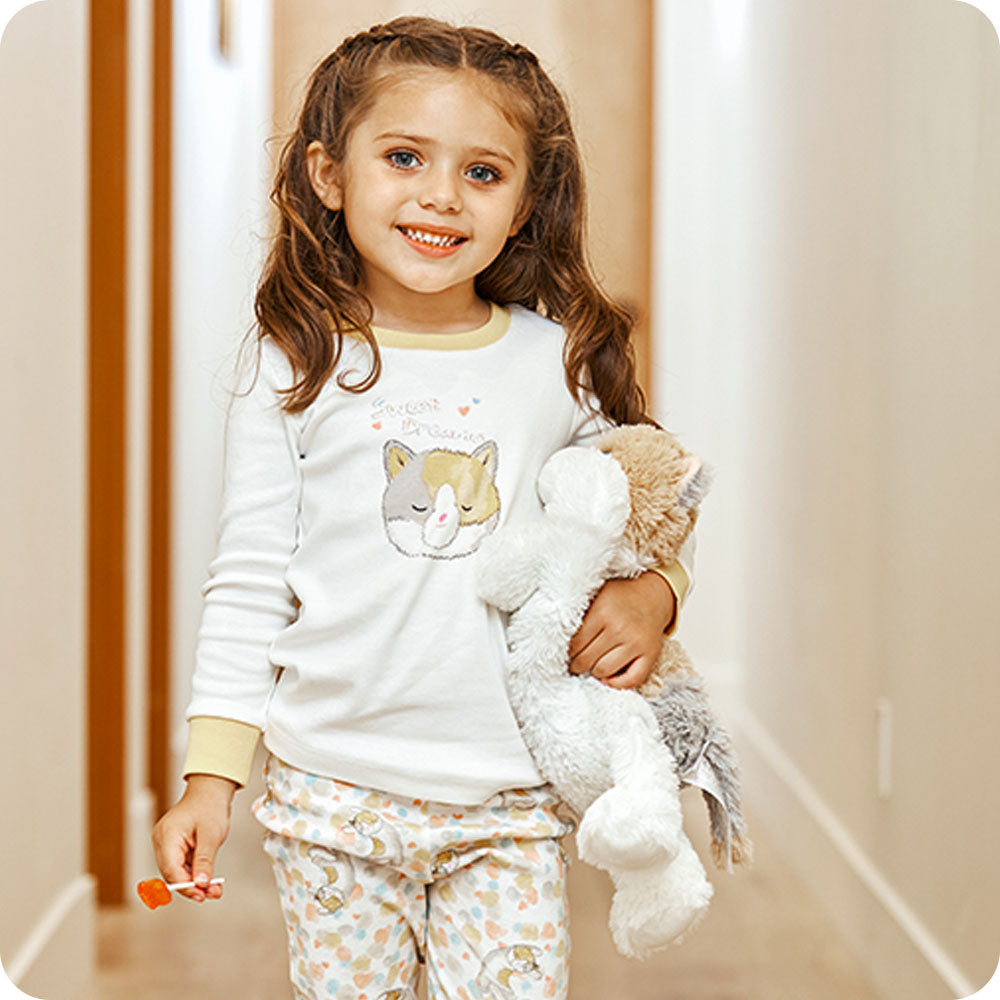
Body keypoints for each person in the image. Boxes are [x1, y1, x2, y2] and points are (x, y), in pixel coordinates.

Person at [152, 16, 694, 1000]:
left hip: (508, 796)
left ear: (528, 200)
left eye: (483, 172)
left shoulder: (553, 362)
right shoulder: (296, 366)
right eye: (404, 156)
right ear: (328, 172)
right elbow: (247, 581)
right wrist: (210, 774)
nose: (440, 195)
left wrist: (659, 593)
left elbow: (627, 515)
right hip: (332, 794)